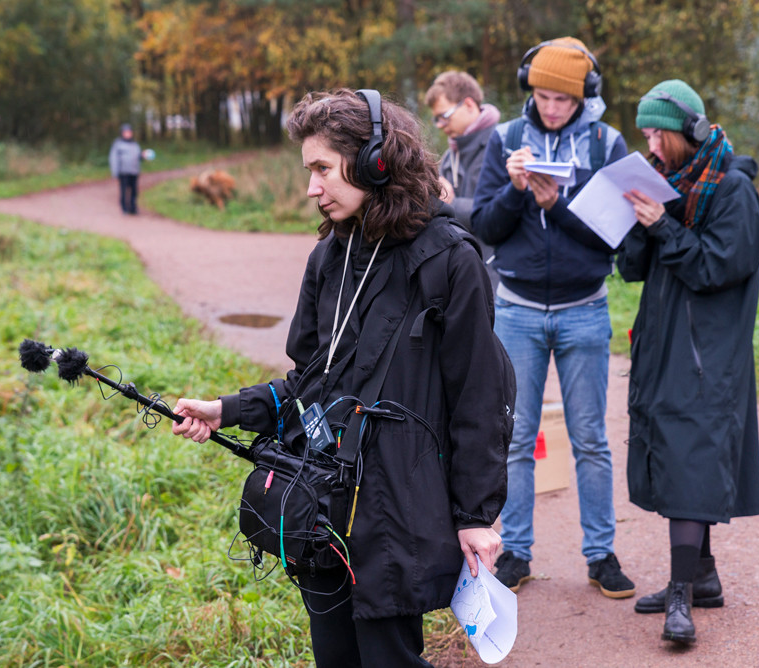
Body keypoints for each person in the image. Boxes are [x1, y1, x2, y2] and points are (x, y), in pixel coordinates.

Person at [171, 88, 512, 667]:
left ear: (376, 160)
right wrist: (227, 410)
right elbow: (311, 383)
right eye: (309, 172)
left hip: (396, 516)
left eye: (323, 169)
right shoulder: (330, 255)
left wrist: (477, 515)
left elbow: (480, 399)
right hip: (322, 509)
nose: (312, 188)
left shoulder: (450, 261)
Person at [471, 36, 636, 598]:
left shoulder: (606, 143)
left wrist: (555, 205)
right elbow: (485, 228)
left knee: (591, 438)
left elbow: (612, 233)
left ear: (585, 95)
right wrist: (518, 191)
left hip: (584, 309)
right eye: (542, 96)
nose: (551, 107)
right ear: (529, 90)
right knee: (514, 438)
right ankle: (515, 551)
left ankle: (601, 555)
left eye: (563, 99)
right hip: (515, 311)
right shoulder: (506, 140)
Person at [618, 79, 759, 644]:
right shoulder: (669, 184)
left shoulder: (732, 191)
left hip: (708, 353)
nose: (652, 145)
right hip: (662, 343)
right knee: (676, 456)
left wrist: (663, 225)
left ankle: (681, 598)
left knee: (690, 459)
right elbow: (635, 269)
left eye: (658, 132)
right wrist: (634, 222)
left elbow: (714, 269)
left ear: (691, 130)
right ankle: (701, 578)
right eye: (647, 135)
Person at [424, 70, 501, 289]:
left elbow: (499, 215)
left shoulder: (501, 146)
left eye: (444, 116)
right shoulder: (450, 155)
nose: (439, 125)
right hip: (460, 273)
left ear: (469, 104)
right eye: (436, 118)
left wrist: (449, 203)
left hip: (496, 279)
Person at [109, 123, 142, 214]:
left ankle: (133, 208)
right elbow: (114, 159)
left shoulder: (135, 144)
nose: (128, 134)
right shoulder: (118, 144)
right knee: (124, 191)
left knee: (134, 191)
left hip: (134, 172)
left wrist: (143, 155)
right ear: (122, 133)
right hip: (123, 172)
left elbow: (138, 156)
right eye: (126, 132)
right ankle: (124, 208)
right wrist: (115, 173)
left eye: (129, 132)